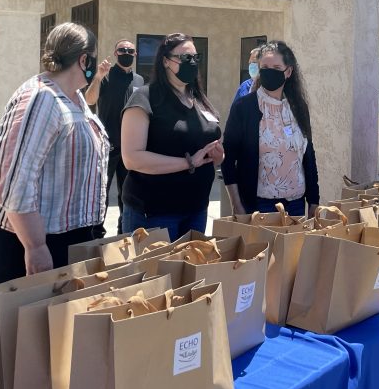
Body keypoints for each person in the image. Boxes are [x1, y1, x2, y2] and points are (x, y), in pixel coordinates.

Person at [0, 23, 110, 285]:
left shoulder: (74, 97)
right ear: (84, 58)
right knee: (27, 326)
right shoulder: (42, 98)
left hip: (65, 239)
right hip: (28, 246)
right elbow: (16, 181)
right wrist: (36, 246)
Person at [120, 33, 224, 239]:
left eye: (196, 57)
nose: (192, 63)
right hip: (154, 214)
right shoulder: (145, 98)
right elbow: (132, 158)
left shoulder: (199, 100)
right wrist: (188, 163)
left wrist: (217, 158)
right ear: (166, 61)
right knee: (155, 272)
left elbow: (203, 151)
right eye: (185, 58)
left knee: (189, 271)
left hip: (196, 210)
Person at [222, 41, 319, 217]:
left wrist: (314, 201)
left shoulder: (298, 107)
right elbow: (228, 160)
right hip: (259, 206)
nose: (269, 71)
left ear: (288, 71)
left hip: (296, 205)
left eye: (276, 67)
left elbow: (308, 156)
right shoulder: (244, 107)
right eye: (265, 67)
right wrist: (236, 205)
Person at [86, 39, 144, 234]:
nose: (126, 53)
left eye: (130, 50)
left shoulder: (139, 81)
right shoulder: (106, 76)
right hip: (107, 145)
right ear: (115, 53)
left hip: (130, 147)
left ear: (135, 55)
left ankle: (124, 232)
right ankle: (96, 232)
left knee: (127, 193)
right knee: (101, 192)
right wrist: (98, 77)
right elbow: (90, 99)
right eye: (122, 50)